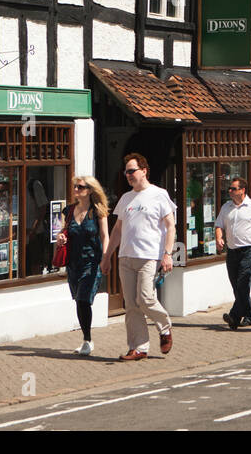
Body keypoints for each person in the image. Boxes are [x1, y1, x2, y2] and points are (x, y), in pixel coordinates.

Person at [101, 154, 175, 361]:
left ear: (144, 170)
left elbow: (170, 226)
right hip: (126, 256)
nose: (128, 175)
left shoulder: (159, 195)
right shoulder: (126, 198)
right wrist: (107, 257)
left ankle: (164, 327)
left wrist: (167, 255)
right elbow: (118, 229)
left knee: (145, 298)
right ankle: (139, 347)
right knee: (131, 305)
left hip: (149, 256)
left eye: (132, 171)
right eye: (126, 172)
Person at [58, 175, 110, 355]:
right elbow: (63, 231)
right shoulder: (69, 210)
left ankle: (87, 340)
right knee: (78, 301)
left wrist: (106, 257)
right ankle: (86, 339)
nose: (76, 190)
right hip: (74, 263)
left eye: (80, 187)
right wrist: (61, 238)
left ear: (89, 190)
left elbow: (105, 236)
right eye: (75, 187)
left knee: (83, 299)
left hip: (91, 261)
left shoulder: (98, 211)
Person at [215, 176, 251, 329]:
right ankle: (249, 315)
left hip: (248, 250)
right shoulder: (226, 207)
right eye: (230, 188)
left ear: (242, 190)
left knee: (243, 283)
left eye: (233, 189)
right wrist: (219, 238)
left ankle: (234, 316)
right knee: (237, 286)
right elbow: (219, 225)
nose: (230, 191)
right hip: (232, 252)